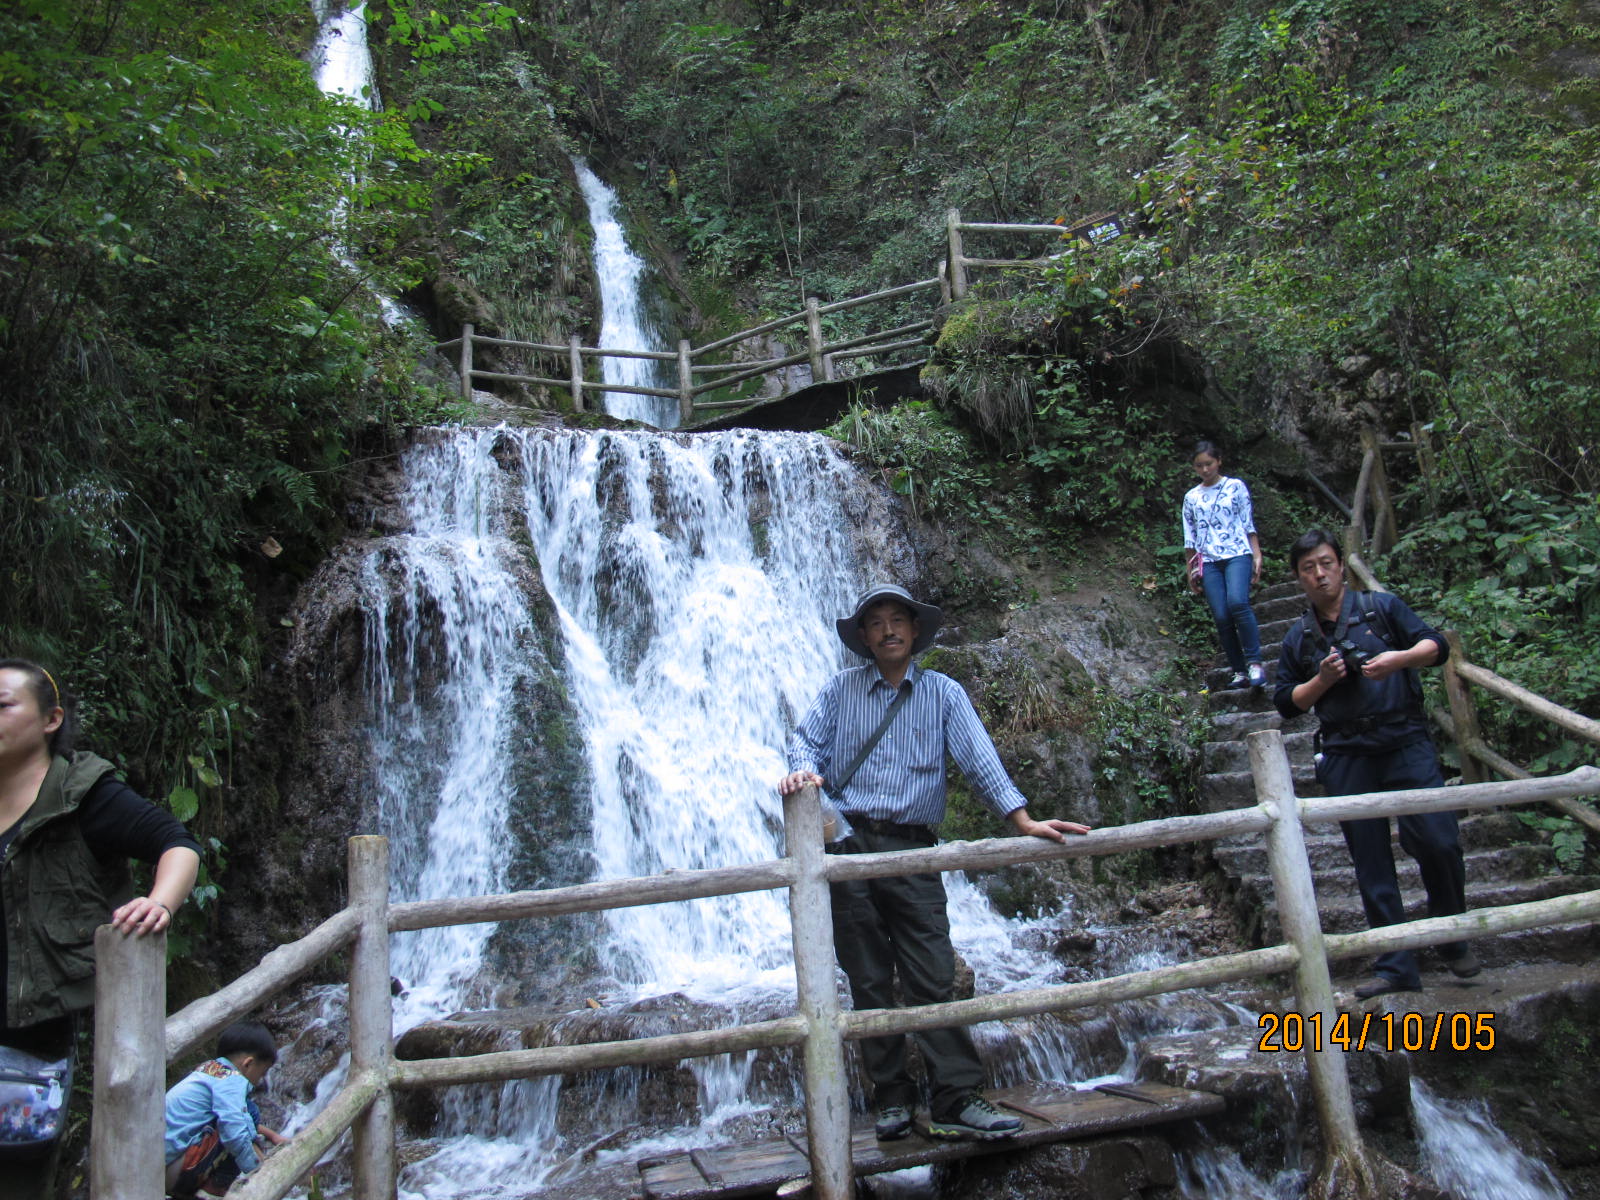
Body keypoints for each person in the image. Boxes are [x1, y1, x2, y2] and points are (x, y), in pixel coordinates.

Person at [778, 585, 1090, 1142]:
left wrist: (1021, 820)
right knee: (869, 979)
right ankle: (892, 1099)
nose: (889, 630)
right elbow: (804, 743)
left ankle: (955, 1097)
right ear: (865, 636)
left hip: (915, 847)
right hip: (848, 848)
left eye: (899, 620)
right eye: (877, 623)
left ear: (915, 631)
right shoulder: (840, 690)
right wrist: (805, 776)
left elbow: (978, 757)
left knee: (932, 974)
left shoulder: (943, 693)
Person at [0, 658, 201, 1195]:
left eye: (2, 704)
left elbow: (176, 843)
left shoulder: (83, 794)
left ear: (51, 719)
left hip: (30, 1037)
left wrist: (160, 903)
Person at [1272, 532, 1479, 999]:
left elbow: (1435, 647)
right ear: (1298, 577)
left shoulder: (1381, 609)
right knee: (1370, 862)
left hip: (1405, 740)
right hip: (1346, 753)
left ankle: (1451, 936)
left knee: (1440, 841)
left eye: (1326, 563)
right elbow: (1287, 703)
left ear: (1341, 565)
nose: (1319, 574)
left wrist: (1396, 661)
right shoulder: (1299, 637)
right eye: (1308, 568)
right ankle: (1396, 963)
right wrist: (1322, 680)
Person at [1181, 441, 1267, 690]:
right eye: (1199, 465)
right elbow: (1190, 536)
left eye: (1208, 463)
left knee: (1238, 602)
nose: (1205, 469)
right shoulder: (1191, 498)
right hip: (1208, 560)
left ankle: (1255, 664)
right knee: (1221, 615)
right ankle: (1239, 671)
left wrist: (1256, 553)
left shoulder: (1235, 486)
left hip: (1238, 552)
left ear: (1219, 461)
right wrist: (1191, 570)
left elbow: (1246, 522)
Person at [164, 1020, 282, 1198]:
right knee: (246, 1117)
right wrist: (261, 1175)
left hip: (157, 1168)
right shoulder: (230, 1080)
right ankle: (210, 1192)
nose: (260, 1080)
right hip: (173, 1171)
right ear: (248, 1064)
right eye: (263, 1072)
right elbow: (234, 1131)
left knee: (246, 1117)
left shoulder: (208, 1071)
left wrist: (271, 1136)